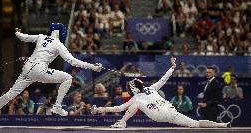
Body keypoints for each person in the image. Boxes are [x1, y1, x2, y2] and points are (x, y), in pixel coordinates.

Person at [0, 23, 102, 126]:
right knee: (68, 78)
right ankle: (57, 106)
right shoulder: (59, 44)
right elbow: (72, 61)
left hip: (26, 69)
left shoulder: (41, 37)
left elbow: (23, 37)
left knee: (10, 93)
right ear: (60, 33)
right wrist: (93, 66)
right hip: (39, 70)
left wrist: (16, 32)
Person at [92, 57, 230, 128]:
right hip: (170, 110)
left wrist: (98, 109)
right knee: (195, 123)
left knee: (195, 123)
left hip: (162, 113)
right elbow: (164, 79)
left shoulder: (137, 98)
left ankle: (122, 122)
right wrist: (172, 68)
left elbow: (118, 108)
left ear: (133, 88)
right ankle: (222, 124)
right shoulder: (151, 88)